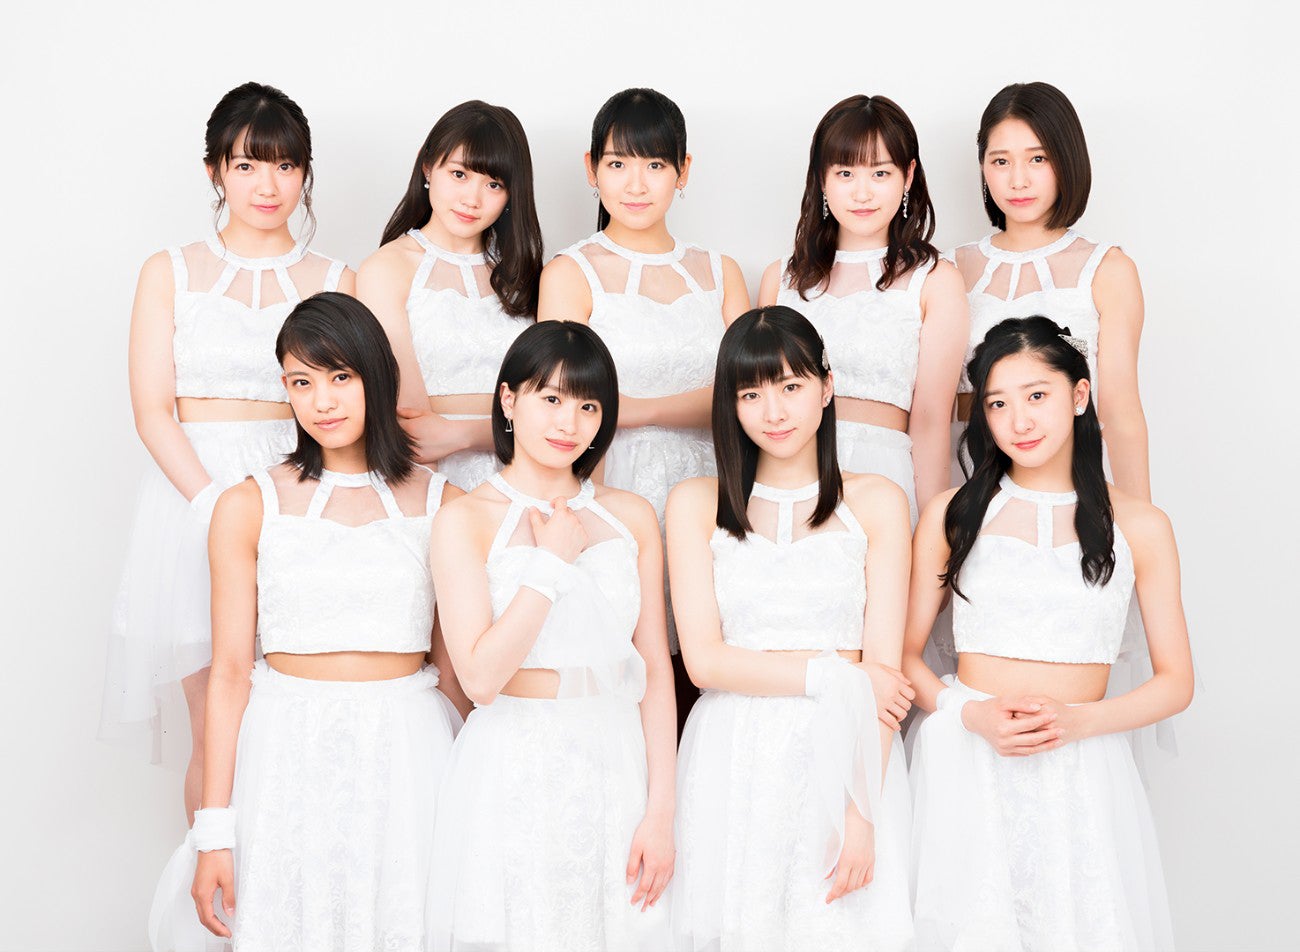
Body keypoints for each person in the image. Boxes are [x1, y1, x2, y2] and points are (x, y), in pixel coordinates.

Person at [149, 292, 466, 951]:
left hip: (408, 751)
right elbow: (230, 674)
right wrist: (214, 831)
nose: (322, 401)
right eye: (301, 382)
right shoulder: (248, 504)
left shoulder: (445, 504)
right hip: (285, 748)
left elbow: (455, 670)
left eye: (340, 377)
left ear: (376, 375)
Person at [102, 82, 353, 820]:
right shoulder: (170, 271)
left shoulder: (336, 279)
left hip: (300, 500)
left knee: (295, 721)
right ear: (215, 170)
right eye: (246, 165)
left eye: (284, 166)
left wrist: (290, 512)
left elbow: (347, 407)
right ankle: (210, 885)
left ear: (305, 172)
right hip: (193, 499)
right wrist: (218, 509)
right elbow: (153, 411)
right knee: (217, 726)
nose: (266, 186)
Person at [903, 316, 1191, 949]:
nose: (1019, 421)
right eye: (998, 404)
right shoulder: (953, 514)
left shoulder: (1141, 525)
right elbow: (903, 656)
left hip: (1083, 766)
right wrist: (967, 713)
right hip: (969, 758)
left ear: (1079, 395)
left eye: (1037, 395)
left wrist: (1079, 722)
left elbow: (1176, 682)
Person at [668, 306, 916, 951]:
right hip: (732, 750)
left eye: (790, 386)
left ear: (827, 387)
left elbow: (884, 683)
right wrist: (835, 674)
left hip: (843, 750)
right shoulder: (695, 502)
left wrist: (862, 815)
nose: (773, 412)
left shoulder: (878, 501)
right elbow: (704, 662)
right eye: (750, 394)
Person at [426, 320, 676, 950]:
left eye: (589, 406)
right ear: (509, 400)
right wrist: (549, 566)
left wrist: (661, 810)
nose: (570, 422)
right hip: (513, 760)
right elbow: (480, 679)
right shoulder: (464, 519)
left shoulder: (631, 515)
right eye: (552, 398)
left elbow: (653, 667)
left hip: (616, 757)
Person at [538, 86, 749, 730]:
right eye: (618, 163)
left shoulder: (720, 272)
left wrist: (629, 407)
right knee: (621, 660)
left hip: (714, 487)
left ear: (684, 171)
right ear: (591, 168)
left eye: (655, 164)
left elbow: (743, 394)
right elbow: (560, 408)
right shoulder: (569, 272)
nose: (636, 184)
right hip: (609, 483)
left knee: (711, 661)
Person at [758, 94, 967, 526]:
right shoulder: (781, 279)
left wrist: (931, 533)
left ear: (908, 176)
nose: (862, 192)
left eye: (880, 173)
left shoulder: (934, 280)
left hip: (885, 473)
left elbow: (931, 422)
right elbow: (756, 402)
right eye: (845, 173)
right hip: (788, 477)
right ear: (822, 178)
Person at [358, 100, 543, 490]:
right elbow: (412, 423)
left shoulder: (526, 275)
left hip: (525, 476)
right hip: (427, 479)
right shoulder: (386, 268)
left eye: (493, 184)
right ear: (428, 168)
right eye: (459, 174)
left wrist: (461, 434)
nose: (472, 199)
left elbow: (553, 408)